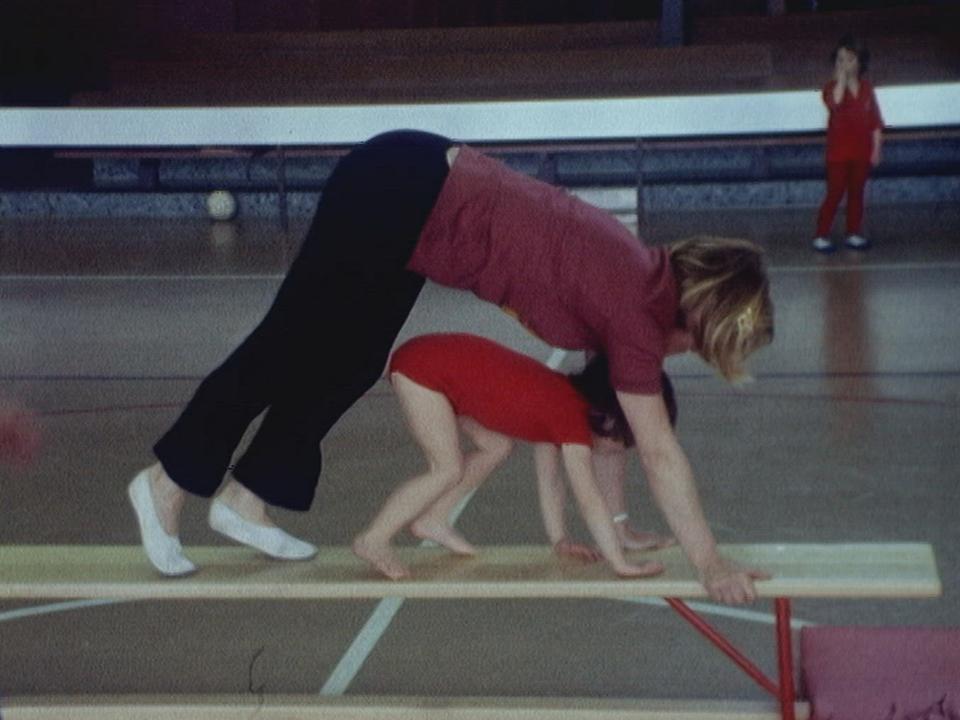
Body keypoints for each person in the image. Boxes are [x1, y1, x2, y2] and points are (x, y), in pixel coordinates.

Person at [129, 130, 774, 605]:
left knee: (351, 361)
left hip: (416, 205)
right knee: (287, 343)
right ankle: (167, 482)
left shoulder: (641, 286)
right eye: (704, 346)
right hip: (403, 188)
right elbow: (659, 450)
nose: (685, 356)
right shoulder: (639, 310)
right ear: (707, 317)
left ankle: (249, 497)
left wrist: (619, 525)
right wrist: (710, 563)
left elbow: (607, 429)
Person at [352, 333, 677, 579]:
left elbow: (550, 480)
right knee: (446, 468)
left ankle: (433, 519)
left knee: (497, 446)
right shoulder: (569, 418)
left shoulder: (561, 402)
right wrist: (619, 563)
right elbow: (588, 498)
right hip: (424, 369)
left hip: (440, 365)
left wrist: (560, 539)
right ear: (609, 418)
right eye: (625, 440)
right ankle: (374, 538)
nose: (621, 450)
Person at [812, 33, 884, 254]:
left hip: (861, 153)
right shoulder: (830, 88)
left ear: (860, 62)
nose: (844, 64)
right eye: (840, 60)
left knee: (857, 193)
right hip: (838, 155)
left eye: (850, 59)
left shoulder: (867, 89)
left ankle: (853, 232)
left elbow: (875, 122)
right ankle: (821, 234)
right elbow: (835, 102)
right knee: (835, 192)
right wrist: (841, 80)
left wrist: (876, 149)